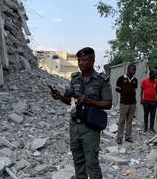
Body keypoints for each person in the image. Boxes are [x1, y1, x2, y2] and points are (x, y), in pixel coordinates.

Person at [51, 47, 112, 179]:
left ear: (93, 60)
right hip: (74, 126)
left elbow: (108, 103)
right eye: (79, 60)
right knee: (78, 161)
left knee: (91, 163)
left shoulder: (101, 80)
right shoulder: (75, 78)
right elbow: (72, 101)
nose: (81, 63)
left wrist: (89, 101)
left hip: (90, 127)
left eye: (84, 60)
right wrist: (60, 97)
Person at [115, 64, 137, 144]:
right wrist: (124, 92)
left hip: (133, 103)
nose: (134, 71)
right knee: (121, 121)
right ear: (128, 69)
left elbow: (134, 89)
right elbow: (116, 88)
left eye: (135, 70)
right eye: (133, 69)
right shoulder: (121, 78)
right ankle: (119, 138)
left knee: (130, 121)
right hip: (124, 103)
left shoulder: (135, 80)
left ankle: (128, 137)